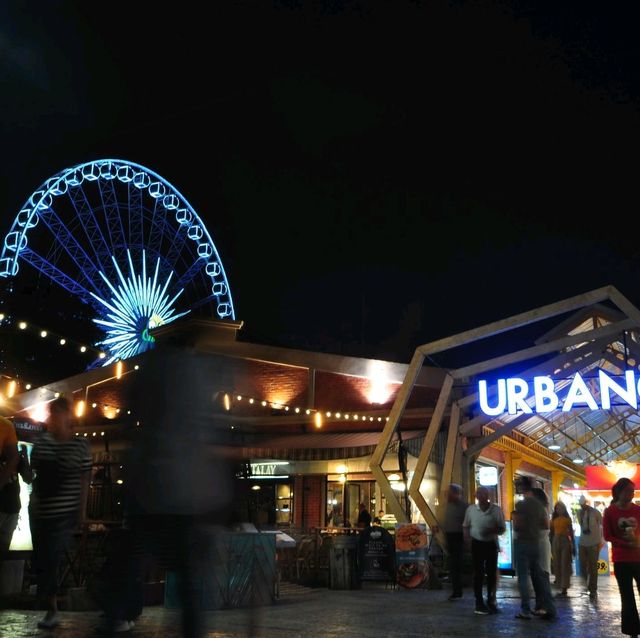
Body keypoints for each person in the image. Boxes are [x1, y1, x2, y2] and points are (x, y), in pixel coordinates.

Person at [29, 397, 92, 630]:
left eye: (58, 414)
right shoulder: (43, 442)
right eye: (52, 414)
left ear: (67, 416)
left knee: (52, 556)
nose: (54, 419)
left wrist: (81, 511)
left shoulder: (79, 445)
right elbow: (38, 472)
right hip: (40, 510)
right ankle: (50, 606)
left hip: (63, 512)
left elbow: (85, 479)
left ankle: (51, 608)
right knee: (43, 559)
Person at [512, 476, 557, 621]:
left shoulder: (521, 505)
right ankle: (549, 606)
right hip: (537, 543)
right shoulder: (540, 507)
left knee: (524, 578)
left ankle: (526, 609)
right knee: (541, 576)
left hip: (524, 542)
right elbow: (545, 524)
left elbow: (517, 525)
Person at [603, 477, 640, 638]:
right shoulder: (610, 511)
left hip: (638, 557)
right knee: (627, 596)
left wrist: (636, 541)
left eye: (633, 491)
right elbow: (607, 535)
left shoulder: (638, 510)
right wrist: (625, 544)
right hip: (621, 560)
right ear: (619, 492)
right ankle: (632, 631)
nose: (631, 494)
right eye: (628, 491)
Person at [462, 486, 505, 615]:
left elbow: (502, 528)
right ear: (476, 496)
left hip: (491, 544)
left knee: (491, 574)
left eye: (484, 494)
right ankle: (479, 602)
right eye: (478, 494)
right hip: (476, 543)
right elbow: (465, 526)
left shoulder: (496, 510)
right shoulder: (471, 510)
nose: (481, 496)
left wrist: (492, 530)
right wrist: (467, 541)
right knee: (478, 573)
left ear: (488, 496)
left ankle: (491, 600)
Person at [442, 483, 468, 600]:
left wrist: (466, 539)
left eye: (449, 492)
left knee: (456, 564)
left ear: (456, 493)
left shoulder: (463, 506)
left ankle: (457, 590)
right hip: (450, 537)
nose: (447, 495)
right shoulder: (448, 505)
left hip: (458, 537)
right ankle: (456, 589)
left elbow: (467, 523)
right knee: (453, 564)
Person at [0, 416, 20, 568]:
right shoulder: (6, 425)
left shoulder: (6, 425)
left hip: (9, 505)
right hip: (10, 504)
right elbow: (14, 457)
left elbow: (14, 457)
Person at [530, 487, 552, 616]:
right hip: (534, 544)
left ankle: (545, 605)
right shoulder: (537, 509)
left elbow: (545, 526)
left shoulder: (541, 510)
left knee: (542, 574)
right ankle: (539, 604)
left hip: (541, 544)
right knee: (535, 575)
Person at [578, 494, 603, 599]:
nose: (582, 507)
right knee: (583, 565)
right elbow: (581, 525)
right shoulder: (579, 513)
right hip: (583, 542)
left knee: (593, 567)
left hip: (594, 542)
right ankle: (586, 585)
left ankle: (593, 589)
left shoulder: (596, 513)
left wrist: (601, 541)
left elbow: (601, 525)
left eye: (584, 505)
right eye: (581, 505)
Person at [550, 500, 574, 596]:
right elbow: (551, 533)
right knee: (557, 563)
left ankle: (564, 586)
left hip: (564, 540)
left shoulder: (567, 520)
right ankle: (560, 583)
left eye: (561, 508)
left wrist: (573, 544)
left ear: (564, 509)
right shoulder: (553, 520)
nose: (559, 510)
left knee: (565, 563)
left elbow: (571, 532)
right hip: (556, 540)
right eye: (557, 508)